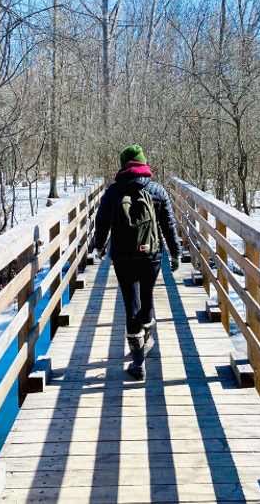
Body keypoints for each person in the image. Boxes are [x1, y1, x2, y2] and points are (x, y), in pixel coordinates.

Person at [93, 145, 181, 380]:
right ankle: (147, 339)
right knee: (147, 297)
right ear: (144, 163)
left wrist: (98, 247)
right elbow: (169, 226)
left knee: (131, 304)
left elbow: (101, 223)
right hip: (151, 256)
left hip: (123, 257)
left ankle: (137, 362)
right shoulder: (157, 190)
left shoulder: (113, 192)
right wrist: (175, 253)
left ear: (123, 165)